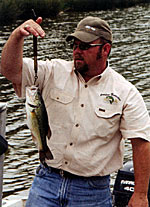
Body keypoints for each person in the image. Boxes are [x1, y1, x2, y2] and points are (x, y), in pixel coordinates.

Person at [1, 16, 150, 207]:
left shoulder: (126, 92)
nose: (77, 51)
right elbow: (9, 70)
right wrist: (17, 36)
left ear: (105, 50)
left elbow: (141, 143)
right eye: (75, 45)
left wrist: (140, 194)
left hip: (92, 192)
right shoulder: (51, 71)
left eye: (85, 46)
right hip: (47, 181)